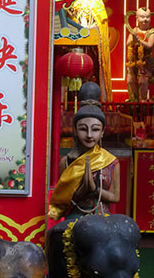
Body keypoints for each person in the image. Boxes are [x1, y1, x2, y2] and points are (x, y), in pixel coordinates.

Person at [48, 82, 120, 221]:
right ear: (74, 131)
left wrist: (95, 190)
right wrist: (81, 191)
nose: (89, 135)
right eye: (82, 129)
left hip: (101, 216)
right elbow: (64, 197)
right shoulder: (66, 162)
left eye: (95, 129)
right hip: (76, 215)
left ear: (102, 132)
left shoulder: (111, 162)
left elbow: (115, 197)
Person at [67, 0, 113, 101]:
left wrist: (94, 29)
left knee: (92, 70)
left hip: (93, 46)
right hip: (78, 46)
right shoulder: (75, 4)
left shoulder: (98, 4)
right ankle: (73, 99)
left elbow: (102, 24)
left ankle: (96, 97)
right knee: (76, 73)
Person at [125, 7, 154, 101]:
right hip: (133, 61)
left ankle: (143, 101)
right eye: (142, 17)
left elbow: (149, 45)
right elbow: (128, 43)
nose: (145, 19)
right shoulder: (134, 31)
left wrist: (139, 41)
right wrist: (133, 40)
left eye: (147, 17)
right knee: (130, 80)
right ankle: (134, 101)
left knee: (143, 81)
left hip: (145, 62)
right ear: (137, 18)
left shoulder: (151, 32)